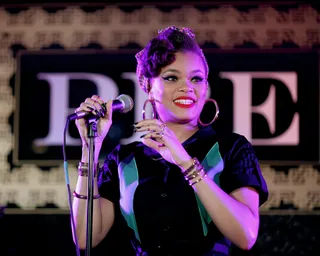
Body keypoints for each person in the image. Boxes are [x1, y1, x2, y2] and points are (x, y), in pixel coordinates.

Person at [72, 26, 269, 256]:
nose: (187, 87)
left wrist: (185, 161)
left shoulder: (231, 149)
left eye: (197, 78)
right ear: (149, 87)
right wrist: (90, 147)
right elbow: (85, 238)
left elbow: (245, 235)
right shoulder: (124, 159)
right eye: (172, 77)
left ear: (206, 87)